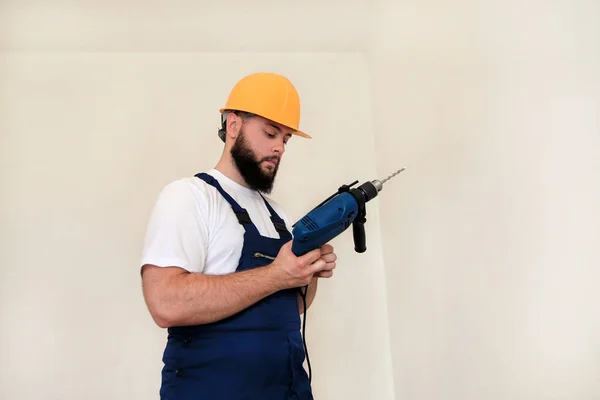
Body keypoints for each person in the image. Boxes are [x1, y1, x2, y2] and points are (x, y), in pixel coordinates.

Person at [140, 72, 337, 400]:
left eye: (286, 139)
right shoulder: (190, 197)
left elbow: (293, 306)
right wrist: (276, 275)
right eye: (270, 132)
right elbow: (165, 302)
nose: (279, 147)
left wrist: (307, 274)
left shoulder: (279, 217)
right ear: (233, 126)